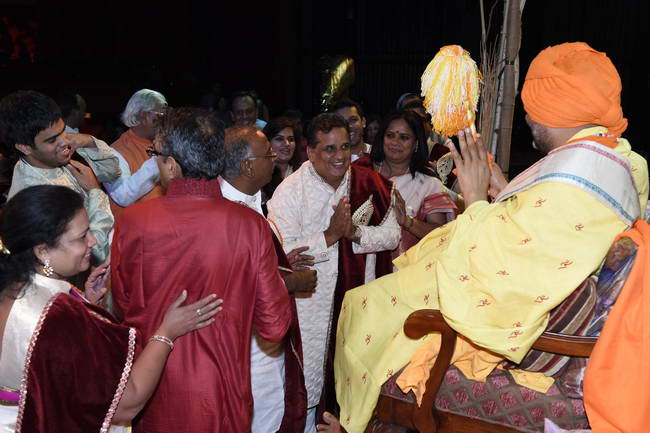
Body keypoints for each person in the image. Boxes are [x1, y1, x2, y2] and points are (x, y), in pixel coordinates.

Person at [333, 42, 649, 433]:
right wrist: (506, 192)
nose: (528, 118)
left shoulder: (575, 178)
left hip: (506, 319)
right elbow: (539, 233)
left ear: (558, 108)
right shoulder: (616, 160)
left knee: (362, 307)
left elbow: (499, 269)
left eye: (533, 107)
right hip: (540, 306)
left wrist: (475, 199)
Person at [111, 107, 292, 433]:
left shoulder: (132, 222)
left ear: (171, 164)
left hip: (154, 391)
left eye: (156, 155)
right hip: (222, 394)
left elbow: (125, 308)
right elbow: (275, 326)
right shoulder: (250, 226)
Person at [0, 185, 222, 432]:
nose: (93, 241)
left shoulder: (11, 286)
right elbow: (127, 403)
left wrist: (86, 303)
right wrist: (167, 332)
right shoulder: (59, 316)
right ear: (43, 251)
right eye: (81, 237)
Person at [267, 113, 400, 432]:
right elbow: (283, 253)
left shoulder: (369, 184)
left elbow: (392, 235)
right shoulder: (290, 192)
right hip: (309, 308)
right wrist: (329, 236)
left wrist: (354, 233)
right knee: (308, 389)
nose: (340, 156)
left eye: (344, 147)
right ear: (310, 151)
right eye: (329, 149)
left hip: (358, 303)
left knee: (353, 385)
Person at [220, 125, 317, 433]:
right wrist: (291, 283)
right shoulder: (227, 213)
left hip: (264, 341)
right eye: (267, 155)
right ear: (248, 166)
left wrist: (283, 264)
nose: (274, 159)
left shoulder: (252, 202)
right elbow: (232, 286)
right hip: (245, 344)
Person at [0, 90, 120, 263]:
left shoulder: (54, 156)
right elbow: (94, 253)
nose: (65, 141)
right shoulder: (34, 196)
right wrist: (96, 192)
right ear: (25, 147)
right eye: (52, 140)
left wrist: (88, 141)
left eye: (63, 130)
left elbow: (113, 171)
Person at [359, 110, 458, 258]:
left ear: (416, 144)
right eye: (390, 135)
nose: (395, 142)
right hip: (357, 263)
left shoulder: (428, 185)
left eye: (404, 137)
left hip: (401, 268)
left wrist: (407, 221)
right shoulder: (363, 171)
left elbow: (440, 234)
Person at [105, 89, 167, 217]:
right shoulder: (113, 152)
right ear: (143, 116)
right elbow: (123, 195)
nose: (164, 121)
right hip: (131, 227)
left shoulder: (164, 142)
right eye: (161, 115)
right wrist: (159, 158)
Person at [262, 117, 303, 204]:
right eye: (279, 139)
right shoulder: (259, 175)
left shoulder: (303, 172)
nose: (287, 144)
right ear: (267, 142)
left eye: (291, 139)